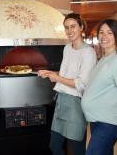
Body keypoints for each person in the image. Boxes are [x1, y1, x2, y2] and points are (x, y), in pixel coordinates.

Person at [38, 13, 97, 155]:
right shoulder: (67, 48)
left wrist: (56, 78)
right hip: (61, 101)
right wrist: (50, 72)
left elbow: (81, 84)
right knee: (54, 146)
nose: (69, 31)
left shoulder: (89, 53)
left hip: (75, 104)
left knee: (77, 149)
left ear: (81, 27)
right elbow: (67, 73)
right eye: (66, 28)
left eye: (73, 26)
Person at [81, 19, 117, 155]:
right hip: (97, 120)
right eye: (101, 32)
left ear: (116, 36)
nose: (104, 36)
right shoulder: (103, 59)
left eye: (110, 32)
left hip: (109, 122)